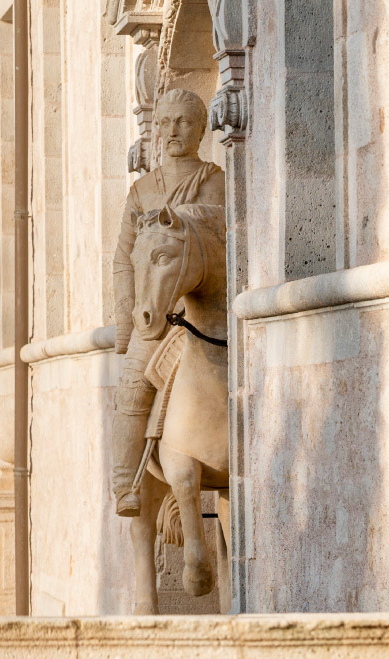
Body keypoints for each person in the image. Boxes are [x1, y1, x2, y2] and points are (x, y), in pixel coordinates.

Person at [112, 88, 225, 516]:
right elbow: (123, 259)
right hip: (158, 314)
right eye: (165, 122)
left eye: (183, 122)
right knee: (133, 385)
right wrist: (131, 321)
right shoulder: (142, 190)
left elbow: (224, 238)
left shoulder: (215, 181)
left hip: (202, 307)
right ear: (155, 130)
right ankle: (126, 481)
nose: (173, 130)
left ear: (200, 129)